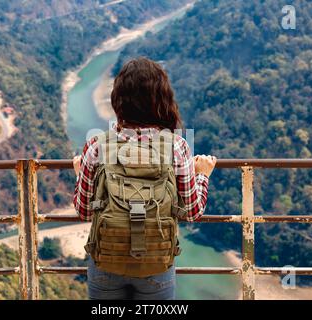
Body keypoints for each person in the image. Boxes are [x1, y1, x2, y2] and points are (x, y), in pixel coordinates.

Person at [73, 57, 217, 300]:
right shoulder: (177, 147)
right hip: (157, 263)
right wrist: (201, 175)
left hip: (106, 261)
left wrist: (82, 177)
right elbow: (192, 211)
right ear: (162, 100)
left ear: (117, 100)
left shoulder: (97, 145)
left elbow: (84, 211)